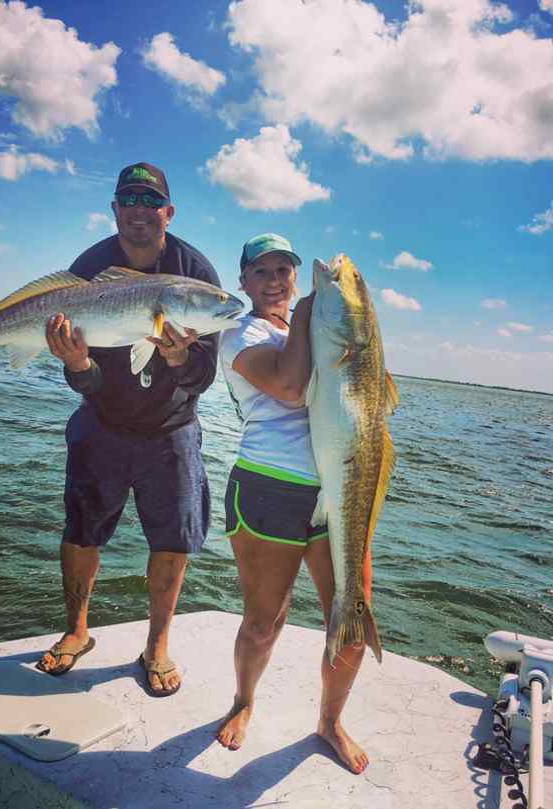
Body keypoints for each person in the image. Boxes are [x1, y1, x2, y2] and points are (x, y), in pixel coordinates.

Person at [36, 162, 218, 697]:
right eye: (129, 199)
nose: (139, 209)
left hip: (172, 429)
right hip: (104, 423)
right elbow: (87, 381)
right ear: (115, 209)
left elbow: (204, 373)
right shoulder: (89, 268)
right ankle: (77, 630)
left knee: (173, 540)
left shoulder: (195, 274)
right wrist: (76, 365)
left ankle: (157, 644)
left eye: (150, 200)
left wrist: (181, 359)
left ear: (169, 211)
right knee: (80, 531)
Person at [216, 233, 369, 773]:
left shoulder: (315, 326)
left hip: (336, 487)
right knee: (265, 621)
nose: (277, 280)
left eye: (285, 270)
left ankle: (329, 721)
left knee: (352, 611)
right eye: (263, 271)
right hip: (268, 486)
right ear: (243, 282)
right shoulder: (239, 333)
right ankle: (243, 700)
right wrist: (308, 313)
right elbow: (287, 384)